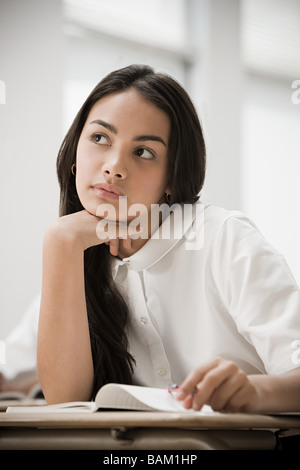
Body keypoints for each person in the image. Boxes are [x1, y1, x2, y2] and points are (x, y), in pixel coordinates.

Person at [37, 64, 300, 412]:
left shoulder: (224, 238)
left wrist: (254, 392)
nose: (114, 167)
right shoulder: (77, 250)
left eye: (143, 151)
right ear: (74, 156)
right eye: (100, 138)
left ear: (172, 177)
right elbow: (66, 401)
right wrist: (61, 241)